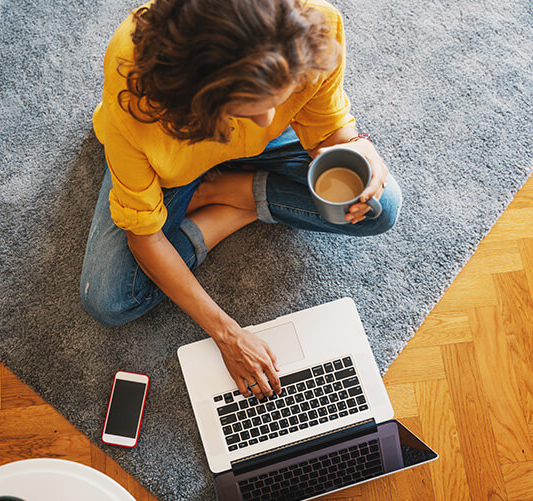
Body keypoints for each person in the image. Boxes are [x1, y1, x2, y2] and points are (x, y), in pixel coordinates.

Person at [82, 0, 402, 402]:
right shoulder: (139, 93)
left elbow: (328, 131)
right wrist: (227, 333)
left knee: (378, 206)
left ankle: (231, 193)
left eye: (277, 96)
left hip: (247, 148)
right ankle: (240, 204)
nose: (269, 118)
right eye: (251, 106)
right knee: (109, 301)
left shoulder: (311, 26)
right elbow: (143, 238)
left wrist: (357, 148)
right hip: (171, 161)